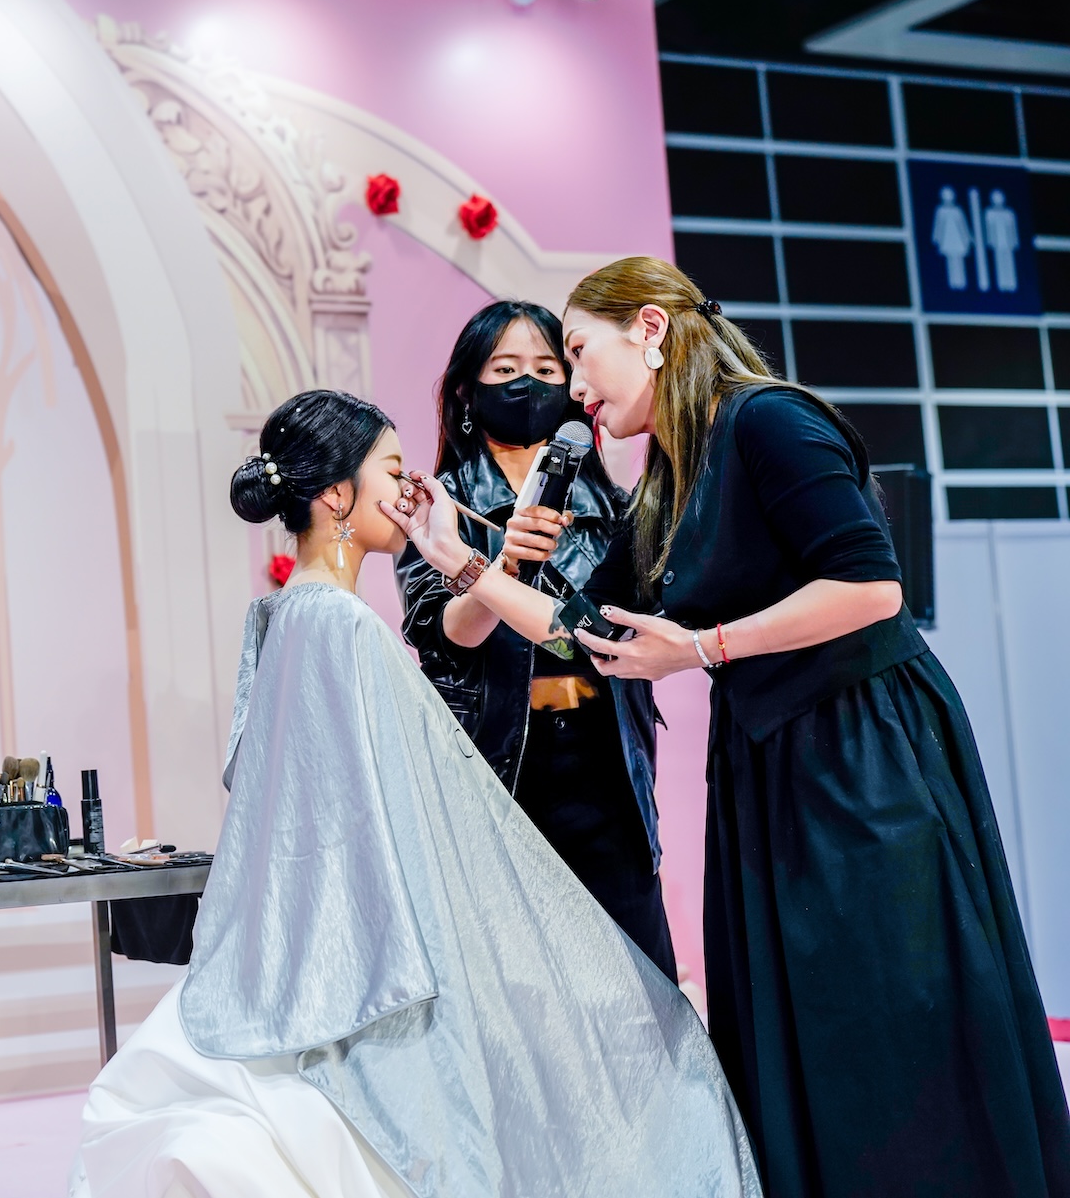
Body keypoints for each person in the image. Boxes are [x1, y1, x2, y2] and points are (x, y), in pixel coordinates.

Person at [397, 256, 1070, 1198]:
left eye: (577, 353)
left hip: (862, 753)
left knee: (889, 1010)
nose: (572, 387)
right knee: (797, 1025)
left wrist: (706, 646)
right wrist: (462, 564)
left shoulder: (768, 420)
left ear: (651, 331)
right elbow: (586, 630)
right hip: (765, 763)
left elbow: (872, 588)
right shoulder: (668, 477)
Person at [70, 390, 760, 1198]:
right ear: (337, 495)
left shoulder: (287, 615)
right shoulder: (343, 625)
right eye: (392, 470)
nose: (409, 487)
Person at [395, 300, 675, 979]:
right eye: (506, 369)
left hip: (607, 763)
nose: (528, 383)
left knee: (635, 978)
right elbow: (447, 636)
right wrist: (505, 564)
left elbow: (604, 630)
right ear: (469, 390)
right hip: (499, 764)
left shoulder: (615, 504)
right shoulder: (440, 501)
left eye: (548, 369)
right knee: (518, 983)